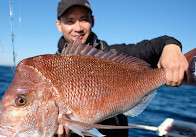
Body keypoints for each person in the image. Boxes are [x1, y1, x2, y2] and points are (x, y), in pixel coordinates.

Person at [54, 0, 189, 137]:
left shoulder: (113, 54)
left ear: (92, 20)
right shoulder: (49, 69)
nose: (78, 28)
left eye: (83, 19)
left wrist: (171, 46)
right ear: (59, 25)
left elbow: (156, 46)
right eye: (70, 21)